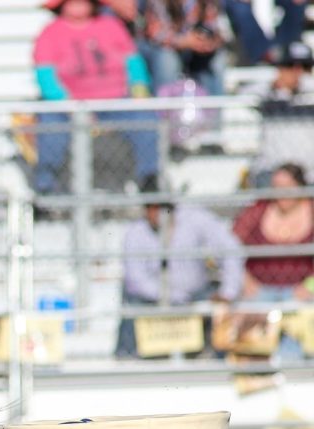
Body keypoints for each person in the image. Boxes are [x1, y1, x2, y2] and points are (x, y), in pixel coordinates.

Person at [32, 0, 160, 194]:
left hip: (116, 103)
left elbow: (133, 63)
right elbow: (46, 78)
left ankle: (149, 180)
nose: (78, 5)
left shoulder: (110, 25)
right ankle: (46, 188)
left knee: (145, 118)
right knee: (50, 128)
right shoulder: (50, 33)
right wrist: (72, 107)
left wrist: (139, 92)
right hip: (69, 107)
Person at [116, 177, 245, 356]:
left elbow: (231, 249)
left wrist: (227, 292)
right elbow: (136, 280)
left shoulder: (195, 219)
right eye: (152, 207)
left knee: (222, 309)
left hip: (196, 295)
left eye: (163, 206)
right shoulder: (135, 233)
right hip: (153, 299)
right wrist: (174, 297)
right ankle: (127, 361)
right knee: (131, 306)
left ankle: (221, 361)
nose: (158, 213)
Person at [233, 163, 314, 303]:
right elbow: (227, 245)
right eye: (276, 187)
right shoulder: (258, 209)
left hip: (305, 293)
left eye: (288, 188)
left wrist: (310, 286)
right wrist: (244, 279)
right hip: (257, 291)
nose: (281, 193)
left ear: (301, 187)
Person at [242, 41, 314, 187]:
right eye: (289, 66)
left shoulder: (310, 93)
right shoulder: (269, 94)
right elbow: (244, 95)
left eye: (304, 67)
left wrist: (301, 85)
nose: (296, 72)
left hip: (309, 172)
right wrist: (277, 86)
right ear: (279, 69)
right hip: (272, 170)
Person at [142, 0, 227, 97]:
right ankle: (163, 108)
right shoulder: (158, 2)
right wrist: (183, 41)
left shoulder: (207, 3)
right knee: (167, 60)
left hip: (197, 52)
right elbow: (155, 33)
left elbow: (220, 31)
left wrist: (207, 42)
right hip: (164, 49)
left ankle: (213, 107)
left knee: (216, 60)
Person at [225, 0, 309, 65]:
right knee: (241, 9)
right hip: (257, 48)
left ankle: (284, 55)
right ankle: (265, 56)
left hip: (285, 44)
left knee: (297, 5)